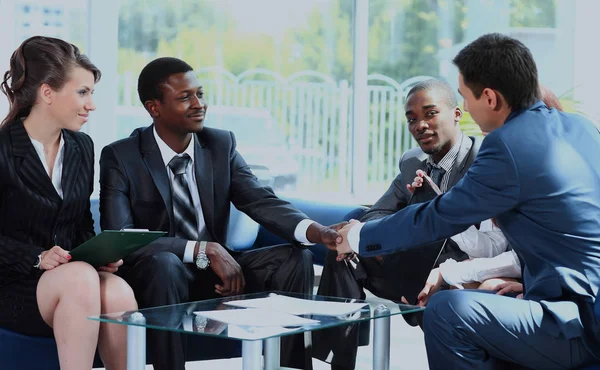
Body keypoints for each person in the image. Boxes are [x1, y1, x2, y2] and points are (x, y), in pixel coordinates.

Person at [335, 33, 600, 369]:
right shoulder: (580, 128)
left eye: (465, 96)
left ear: (489, 97)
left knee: (447, 311)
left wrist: (357, 237)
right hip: (579, 301)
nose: (466, 108)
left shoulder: (505, 145)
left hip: (580, 322)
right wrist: (525, 280)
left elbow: (440, 217)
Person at [99, 57, 341, 370]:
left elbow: (260, 201)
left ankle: (289, 366)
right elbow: (121, 236)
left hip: (213, 272)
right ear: (154, 108)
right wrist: (203, 249)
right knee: (165, 265)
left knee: (295, 259)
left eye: (200, 94)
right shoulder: (121, 156)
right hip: (161, 276)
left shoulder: (220, 144)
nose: (199, 104)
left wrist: (316, 232)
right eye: (185, 97)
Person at [314, 78, 484, 370]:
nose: (420, 125)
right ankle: (339, 362)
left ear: (456, 114)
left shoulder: (483, 161)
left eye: (430, 113)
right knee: (344, 253)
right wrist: (385, 237)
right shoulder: (412, 162)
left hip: (453, 272)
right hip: (405, 265)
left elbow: (487, 238)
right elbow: (375, 215)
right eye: (412, 119)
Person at [0, 36, 137, 370]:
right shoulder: (3, 149)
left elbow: (79, 224)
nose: (91, 104)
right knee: (79, 280)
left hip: (70, 279)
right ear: (47, 93)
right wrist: (37, 257)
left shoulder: (81, 147)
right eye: (82, 92)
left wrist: (97, 254)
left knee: (117, 290)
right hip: (12, 283)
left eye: (92, 93)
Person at [415, 84, 566, 305]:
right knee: (468, 287)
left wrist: (449, 271)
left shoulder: (551, 170)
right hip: (538, 273)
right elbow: (492, 246)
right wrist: (441, 208)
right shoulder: (505, 166)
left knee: (480, 287)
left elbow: (527, 256)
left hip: (567, 279)